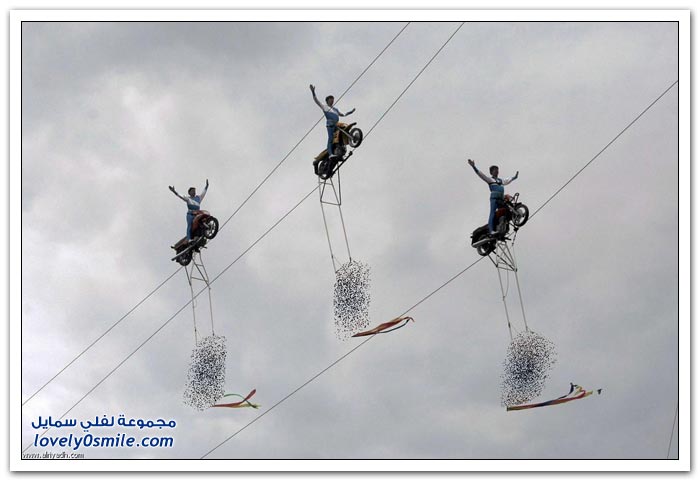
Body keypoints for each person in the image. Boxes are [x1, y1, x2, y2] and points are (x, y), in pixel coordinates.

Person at [467, 159, 518, 236]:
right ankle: (491, 230)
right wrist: (474, 166)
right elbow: (481, 174)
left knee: (506, 210)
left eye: (497, 170)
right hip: (494, 199)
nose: (497, 171)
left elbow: (508, 180)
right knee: (492, 213)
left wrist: (514, 177)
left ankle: (503, 226)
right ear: (491, 172)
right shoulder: (490, 179)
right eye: (495, 170)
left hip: (501, 199)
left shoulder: (501, 180)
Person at [309, 84, 355, 160]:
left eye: (333, 99)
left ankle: (340, 150)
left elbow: (343, 114)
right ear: (327, 101)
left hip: (336, 124)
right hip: (330, 125)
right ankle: (330, 154)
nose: (332, 100)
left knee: (341, 134)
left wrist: (351, 112)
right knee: (330, 139)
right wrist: (313, 92)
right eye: (331, 99)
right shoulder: (324, 106)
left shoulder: (335, 109)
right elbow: (316, 101)